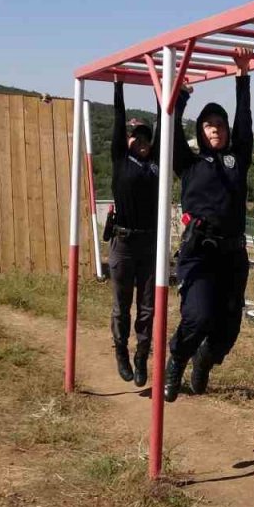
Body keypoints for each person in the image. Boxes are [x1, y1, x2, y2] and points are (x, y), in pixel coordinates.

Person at [162, 48, 254, 403]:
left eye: (220, 124)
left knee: (228, 328)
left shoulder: (237, 159)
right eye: (208, 124)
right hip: (199, 251)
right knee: (198, 316)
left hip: (232, 255)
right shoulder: (190, 163)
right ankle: (178, 360)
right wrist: (179, 96)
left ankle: (206, 359)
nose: (215, 128)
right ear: (201, 131)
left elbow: (245, 120)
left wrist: (243, 75)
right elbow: (168, 133)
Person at [107, 82, 159, 387]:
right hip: (124, 242)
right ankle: (121, 351)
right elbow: (117, 119)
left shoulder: (155, 165)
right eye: (133, 136)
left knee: (148, 307)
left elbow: (164, 125)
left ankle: (141, 355)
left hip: (149, 242)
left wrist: (162, 94)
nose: (139, 140)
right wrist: (119, 87)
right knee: (121, 304)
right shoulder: (120, 162)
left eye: (144, 136)